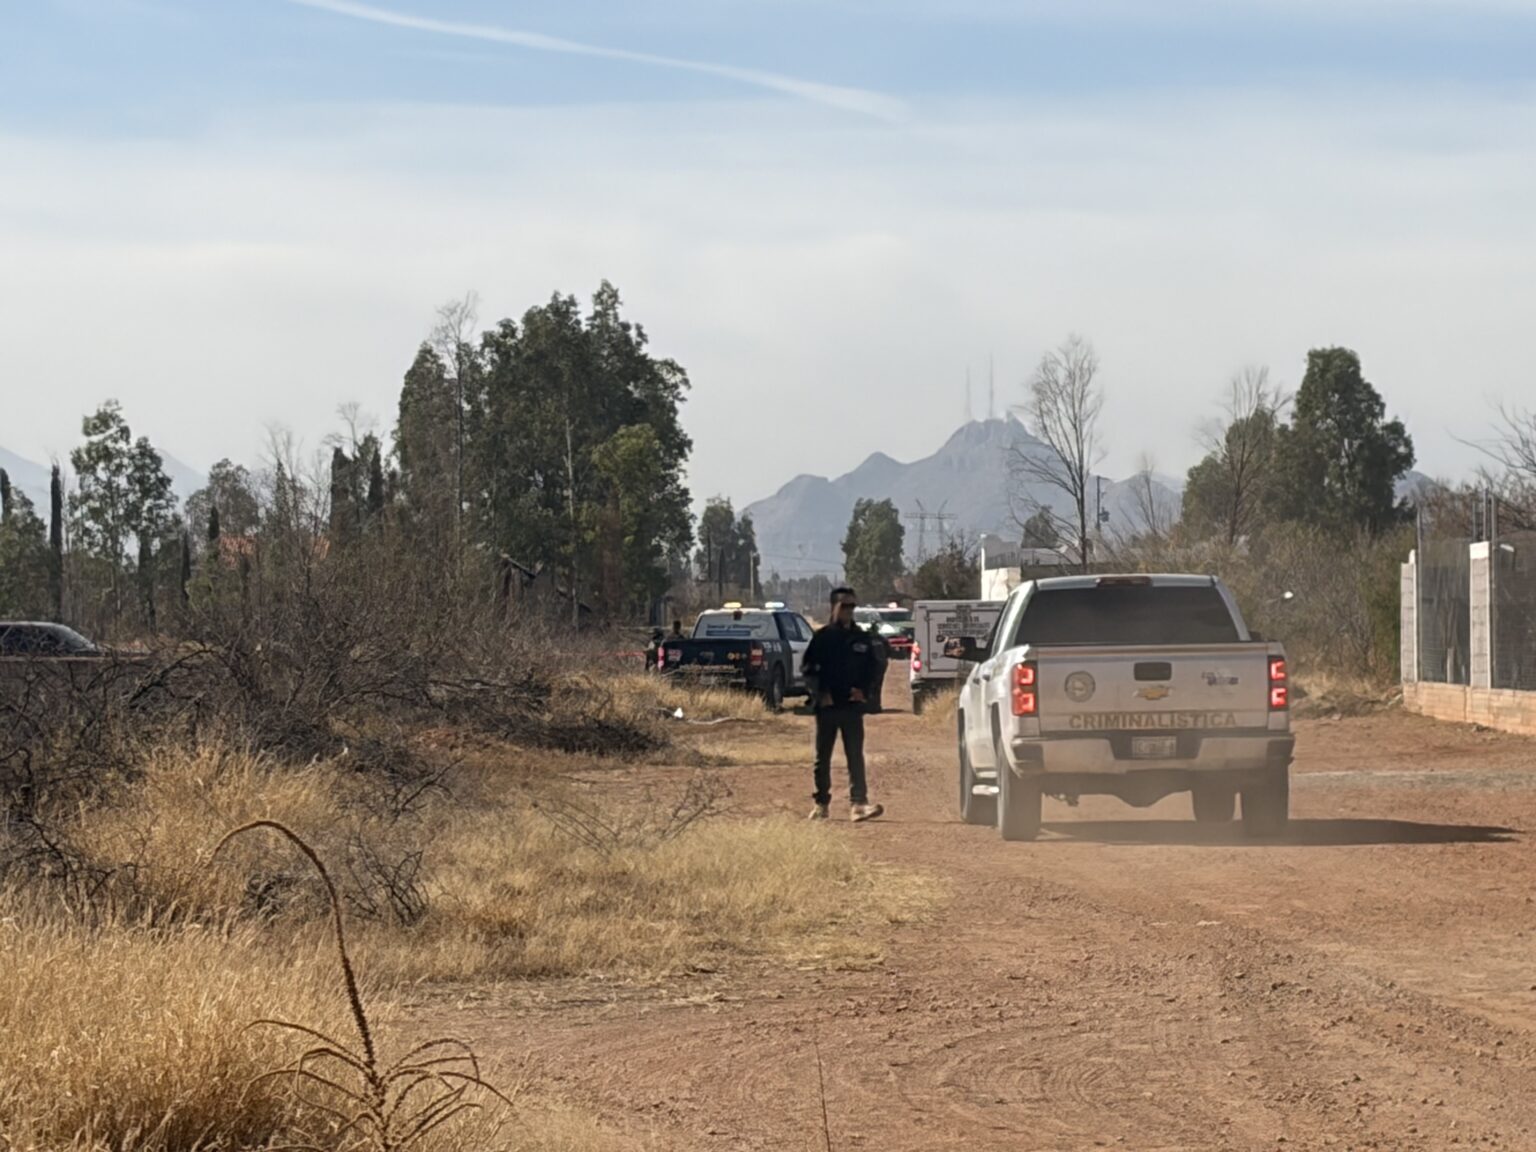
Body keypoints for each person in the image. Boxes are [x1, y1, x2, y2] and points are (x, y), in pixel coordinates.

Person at [801, 586, 884, 823]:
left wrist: (864, 691)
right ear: (834, 607)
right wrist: (820, 693)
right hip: (827, 706)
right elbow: (808, 669)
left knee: (855, 755)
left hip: (851, 706)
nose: (849, 610)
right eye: (845, 606)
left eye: (852, 606)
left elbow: (873, 668)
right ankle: (821, 804)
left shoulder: (861, 638)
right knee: (823, 757)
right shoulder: (823, 637)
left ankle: (859, 804)